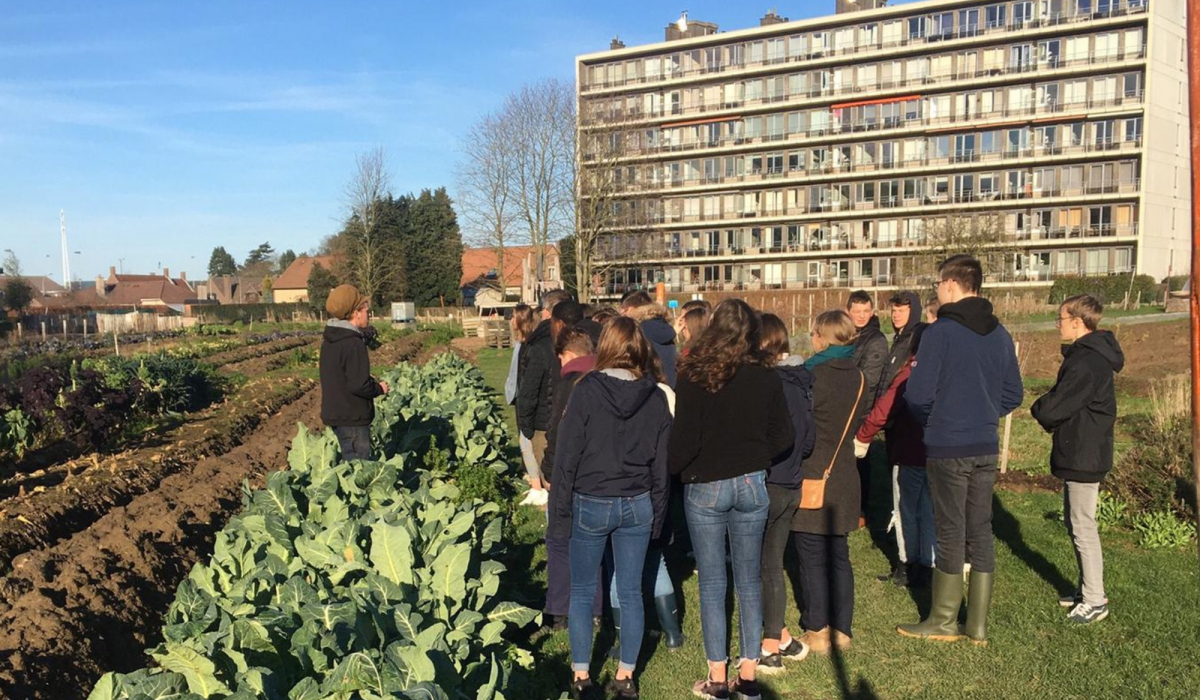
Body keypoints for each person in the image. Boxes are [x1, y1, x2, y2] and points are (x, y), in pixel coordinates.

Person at [670, 299, 793, 700]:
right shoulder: (766, 377)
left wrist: (673, 470)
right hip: (751, 483)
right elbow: (784, 436)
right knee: (749, 580)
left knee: (712, 583)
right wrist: (756, 456)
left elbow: (684, 439)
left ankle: (718, 677)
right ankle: (749, 675)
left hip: (706, 484)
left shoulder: (694, 374)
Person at [898, 255, 1023, 646]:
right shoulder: (1000, 334)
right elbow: (1013, 395)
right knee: (981, 529)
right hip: (985, 443)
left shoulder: (940, 333)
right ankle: (978, 625)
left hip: (948, 444)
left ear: (951, 284)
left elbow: (917, 395)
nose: (936, 290)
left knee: (950, 531)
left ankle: (944, 619)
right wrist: (983, 412)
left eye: (938, 283)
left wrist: (937, 420)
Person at [550, 317, 673, 700]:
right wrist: (658, 515)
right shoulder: (656, 396)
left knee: (584, 591)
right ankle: (625, 677)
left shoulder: (586, 391)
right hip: (637, 504)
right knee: (632, 591)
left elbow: (566, 458)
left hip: (591, 500)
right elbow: (661, 466)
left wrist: (559, 516)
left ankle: (582, 676)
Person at [1031, 294, 1123, 625]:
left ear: (1077, 321)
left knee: (1083, 526)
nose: (1058, 324)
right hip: (1081, 450)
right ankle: (1087, 590)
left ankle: (1096, 600)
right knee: (1076, 523)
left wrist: (1038, 409)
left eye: (1061, 318)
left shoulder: (1088, 361)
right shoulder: (1086, 356)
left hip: (1086, 453)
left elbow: (1059, 403)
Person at [791, 310, 868, 655]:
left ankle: (817, 627)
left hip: (813, 472)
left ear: (822, 336)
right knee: (839, 554)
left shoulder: (811, 375)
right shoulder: (860, 377)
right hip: (845, 475)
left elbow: (801, 430)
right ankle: (843, 628)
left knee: (810, 555)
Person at [757, 313, 816, 672]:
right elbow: (808, 441)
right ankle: (779, 635)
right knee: (772, 565)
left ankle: (769, 646)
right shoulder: (801, 381)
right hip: (793, 481)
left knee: (761, 568)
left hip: (770, 482)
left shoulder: (770, 384)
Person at [855, 323, 933, 590]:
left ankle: (906, 564)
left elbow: (885, 409)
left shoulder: (910, 373)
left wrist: (864, 436)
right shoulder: (947, 372)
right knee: (929, 510)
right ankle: (928, 565)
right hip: (938, 453)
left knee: (906, 511)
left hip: (910, 451)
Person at [540, 325, 600, 631]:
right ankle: (597, 609)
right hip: (599, 475)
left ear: (569, 355)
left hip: (568, 472)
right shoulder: (606, 377)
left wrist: (548, 472)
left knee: (560, 541)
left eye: (561, 358)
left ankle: (559, 611)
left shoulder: (570, 381)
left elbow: (556, 432)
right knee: (595, 544)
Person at [319, 284, 389, 461]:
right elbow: (359, 384)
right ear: (356, 313)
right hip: (353, 417)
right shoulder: (353, 343)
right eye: (366, 310)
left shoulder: (330, 340)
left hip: (337, 414)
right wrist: (379, 388)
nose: (368, 314)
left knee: (348, 463)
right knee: (358, 470)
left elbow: (342, 375)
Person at [517, 289, 572, 506]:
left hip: (544, 422)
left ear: (548, 313)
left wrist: (526, 427)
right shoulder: (585, 341)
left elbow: (528, 389)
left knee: (554, 487)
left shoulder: (538, 345)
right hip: (571, 418)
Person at [621, 290, 678, 386]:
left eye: (623, 312)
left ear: (630, 310)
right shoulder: (664, 326)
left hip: (647, 388)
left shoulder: (638, 330)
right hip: (670, 387)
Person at [505, 304, 537, 407]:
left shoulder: (529, 344)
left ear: (521, 318)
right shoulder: (519, 343)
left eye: (514, 317)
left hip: (525, 394)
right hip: (518, 393)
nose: (511, 321)